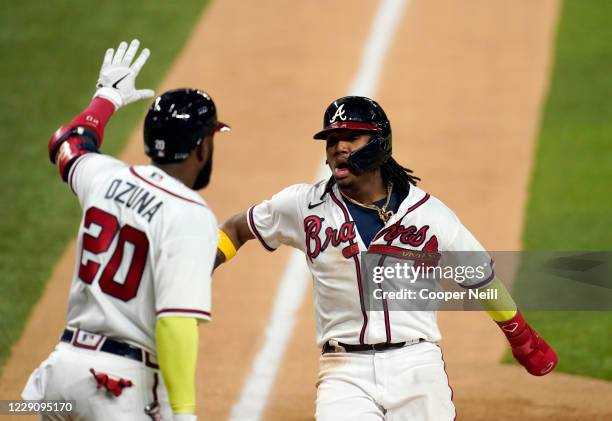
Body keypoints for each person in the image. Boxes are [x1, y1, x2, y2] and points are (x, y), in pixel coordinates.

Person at [215, 96, 558, 420]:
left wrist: (521, 336)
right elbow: (235, 228)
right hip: (343, 371)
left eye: (351, 137)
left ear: (380, 143)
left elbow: (480, 278)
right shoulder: (303, 206)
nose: (339, 147)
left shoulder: (429, 215)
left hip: (416, 366)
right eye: (332, 140)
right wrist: (197, 268)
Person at [22, 40, 229, 421]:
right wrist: (184, 414)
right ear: (201, 147)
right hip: (120, 388)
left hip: (61, 374)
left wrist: (106, 99)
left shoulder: (104, 176)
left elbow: (66, 143)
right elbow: (176, 322)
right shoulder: (190, 213)